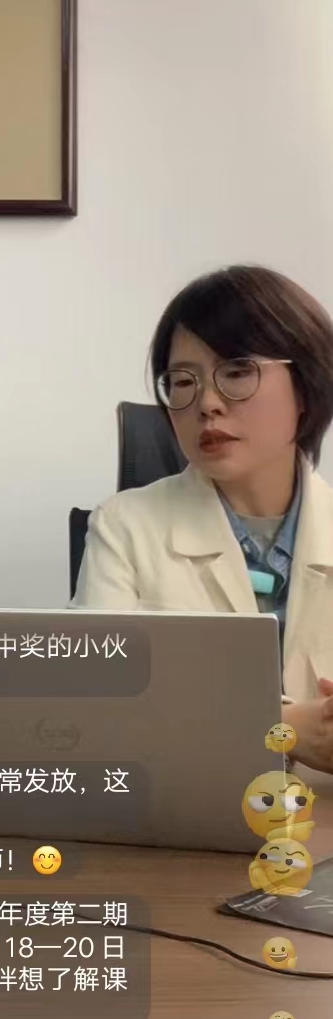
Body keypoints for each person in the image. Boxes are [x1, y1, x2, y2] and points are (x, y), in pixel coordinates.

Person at [73, 265, 333, 773]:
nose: (207, 404)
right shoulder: (124, 527)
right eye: (182, 382)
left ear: (305, 387)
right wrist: (281, 728)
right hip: (188, 807)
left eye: (236, 372)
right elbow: (97, 707)